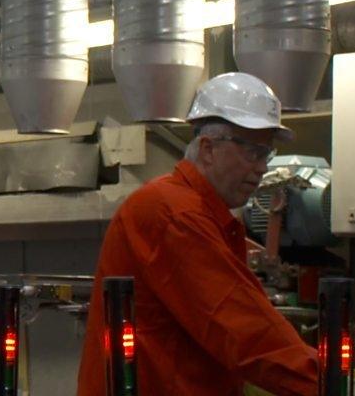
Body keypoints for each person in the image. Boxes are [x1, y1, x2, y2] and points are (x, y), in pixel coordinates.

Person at [77, 72, 319, 395]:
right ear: (208, 149)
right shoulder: (173, 213)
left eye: (267, 154)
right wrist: (333, 383)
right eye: (253, 152)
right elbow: (244, 329)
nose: (262, 167)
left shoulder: (201, 215)